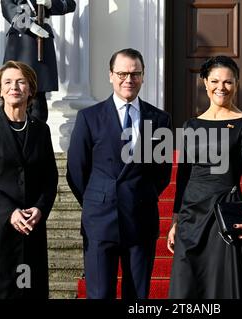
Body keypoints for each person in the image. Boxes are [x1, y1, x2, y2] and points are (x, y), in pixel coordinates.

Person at [167, 56, 242, 299]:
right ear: (204, 83)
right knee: (189, 282)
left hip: (223, 212)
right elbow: (183, 175)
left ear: (236, 84)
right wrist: (175, 219)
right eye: (215, 81)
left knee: (223, 284)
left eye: (228, 82)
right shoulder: (190, 125)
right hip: (191, 215)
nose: (222, 87)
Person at [66, 48, 172, 299]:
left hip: (140, 218)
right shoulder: (89, 117)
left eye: (135, 74)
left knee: (137, 295)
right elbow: (76, 170)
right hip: (100, 220)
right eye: (122, 73)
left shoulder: (160, 119)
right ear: (111, 75)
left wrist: (138, 195)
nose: (129, 80)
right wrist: (99, 198)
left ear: (143, 76)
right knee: (100, 294)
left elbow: (162, 173)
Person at [0, 61, 58, 298]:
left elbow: (50, 178)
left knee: (28, 291)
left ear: (30, 89)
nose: (14, 86)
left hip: (30, 226)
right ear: (0, 89)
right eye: (8, 82)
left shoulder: (41, 130)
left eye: (20, 81)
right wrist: (10, 211)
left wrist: (40, 208)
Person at [1, 0, 77, 122]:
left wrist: (50, 3)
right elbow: (7, 7)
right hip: (21, 40)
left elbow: (70, 4)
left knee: (38, 95)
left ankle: (38, 136)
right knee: (15, 92)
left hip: (42, 38)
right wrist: (29, 25)